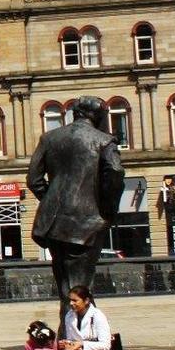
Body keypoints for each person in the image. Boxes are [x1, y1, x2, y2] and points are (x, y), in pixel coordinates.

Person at [25, 95, 125, 306]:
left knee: (66, 285)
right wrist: (106, 208)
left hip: (54, 224)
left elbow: (33, 179)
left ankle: (70, 333)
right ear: (97, 116)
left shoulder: (49, 138)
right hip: (86, 223)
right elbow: (115, 173)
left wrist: (52, 202)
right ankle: (83, 335)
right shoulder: (104, 140)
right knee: (80, 288)